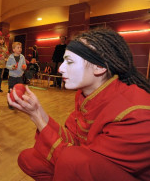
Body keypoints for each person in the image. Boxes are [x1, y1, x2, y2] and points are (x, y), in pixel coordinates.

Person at [8, 28, 150, 181]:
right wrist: (37, 110)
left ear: (99, 67)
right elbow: (75, 139)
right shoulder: (85, 94)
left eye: (69, 61)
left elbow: (77, 159)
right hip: (88, 161)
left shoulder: (136, 112)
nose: (61, 68)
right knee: (29, 159)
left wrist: (37, 118)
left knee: (71, 160)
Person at [6, 41, 27, 109]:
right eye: (18, 47)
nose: (20, 49)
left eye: (20, 47)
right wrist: (12, 67)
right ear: (14, 49)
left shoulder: (22, 57)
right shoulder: (10, 57)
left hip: (20, 77)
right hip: (12, 77)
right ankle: (10, 103)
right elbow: (7, 65)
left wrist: (24, 67)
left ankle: (18, 102)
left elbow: (24, 65)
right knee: (11, 90)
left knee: (19, 90)